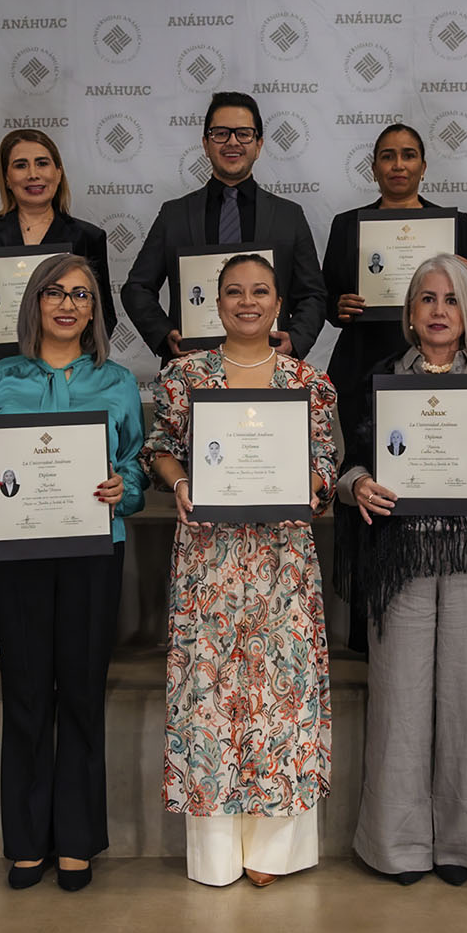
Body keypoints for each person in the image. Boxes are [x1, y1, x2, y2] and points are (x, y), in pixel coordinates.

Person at [337, 254, 467, 886]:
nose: (438, 311)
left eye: (450, 300)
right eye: (426, 299)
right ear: (410, 312)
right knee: (399, 701)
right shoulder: (381, 379)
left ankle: (464, 846)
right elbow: (350, 464)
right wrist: (358, 486)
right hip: (403, 558)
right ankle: (397, 848)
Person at [145, 253, 337, 886]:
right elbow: (162, 450)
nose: (247, 302)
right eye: (234, 291)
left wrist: (310, 483)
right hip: (209, 560)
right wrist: (178, 483)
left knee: (281, 698)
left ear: (279, 302)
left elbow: (326, 462)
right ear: (215, 301)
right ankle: (220, 854)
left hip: (282, 561)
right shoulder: (182, 377)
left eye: (260, 291)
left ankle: (274, 853)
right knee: (210, 699)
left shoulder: (309, 381)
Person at [0, 253, 146, 892]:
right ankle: (25, 839)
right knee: (27, 691)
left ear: (95, 309)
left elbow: (136, 468)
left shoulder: (118, 381)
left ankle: (76, 838)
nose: (68, 304)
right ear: (35, 302)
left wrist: (124, 486)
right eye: (55, 293)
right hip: (17, 553)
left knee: (83, 690)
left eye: (82, 294)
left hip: (95, 550)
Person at [122, 92, 327, 363]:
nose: (232, 142)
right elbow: (136, 287)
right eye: (220, 133)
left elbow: (313, 294)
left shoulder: (289, 216)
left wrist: (296, 340)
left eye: (243, 133)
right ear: (206, 144)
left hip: (269, 364)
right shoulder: (174, 215)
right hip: (193, 364)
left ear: (259, 144)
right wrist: (164, 335)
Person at [322, 123, 467, 438]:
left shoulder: (454, 226)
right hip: (361, 362)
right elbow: (327, 301)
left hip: (437, 363)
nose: (398, 165)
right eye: (387, 156)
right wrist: (339, 305)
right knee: (363, 458)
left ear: (422, 168)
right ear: (374, 168)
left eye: (408, 156)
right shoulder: (346, 226)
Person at [0, 129, 116, 412]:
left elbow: (104, 314)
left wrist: (74, 358)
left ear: (58, 173)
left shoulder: (88, 237)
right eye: (21, 165)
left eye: (42, 163)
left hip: (65, 379)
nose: (33, 174)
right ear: (7, 178)